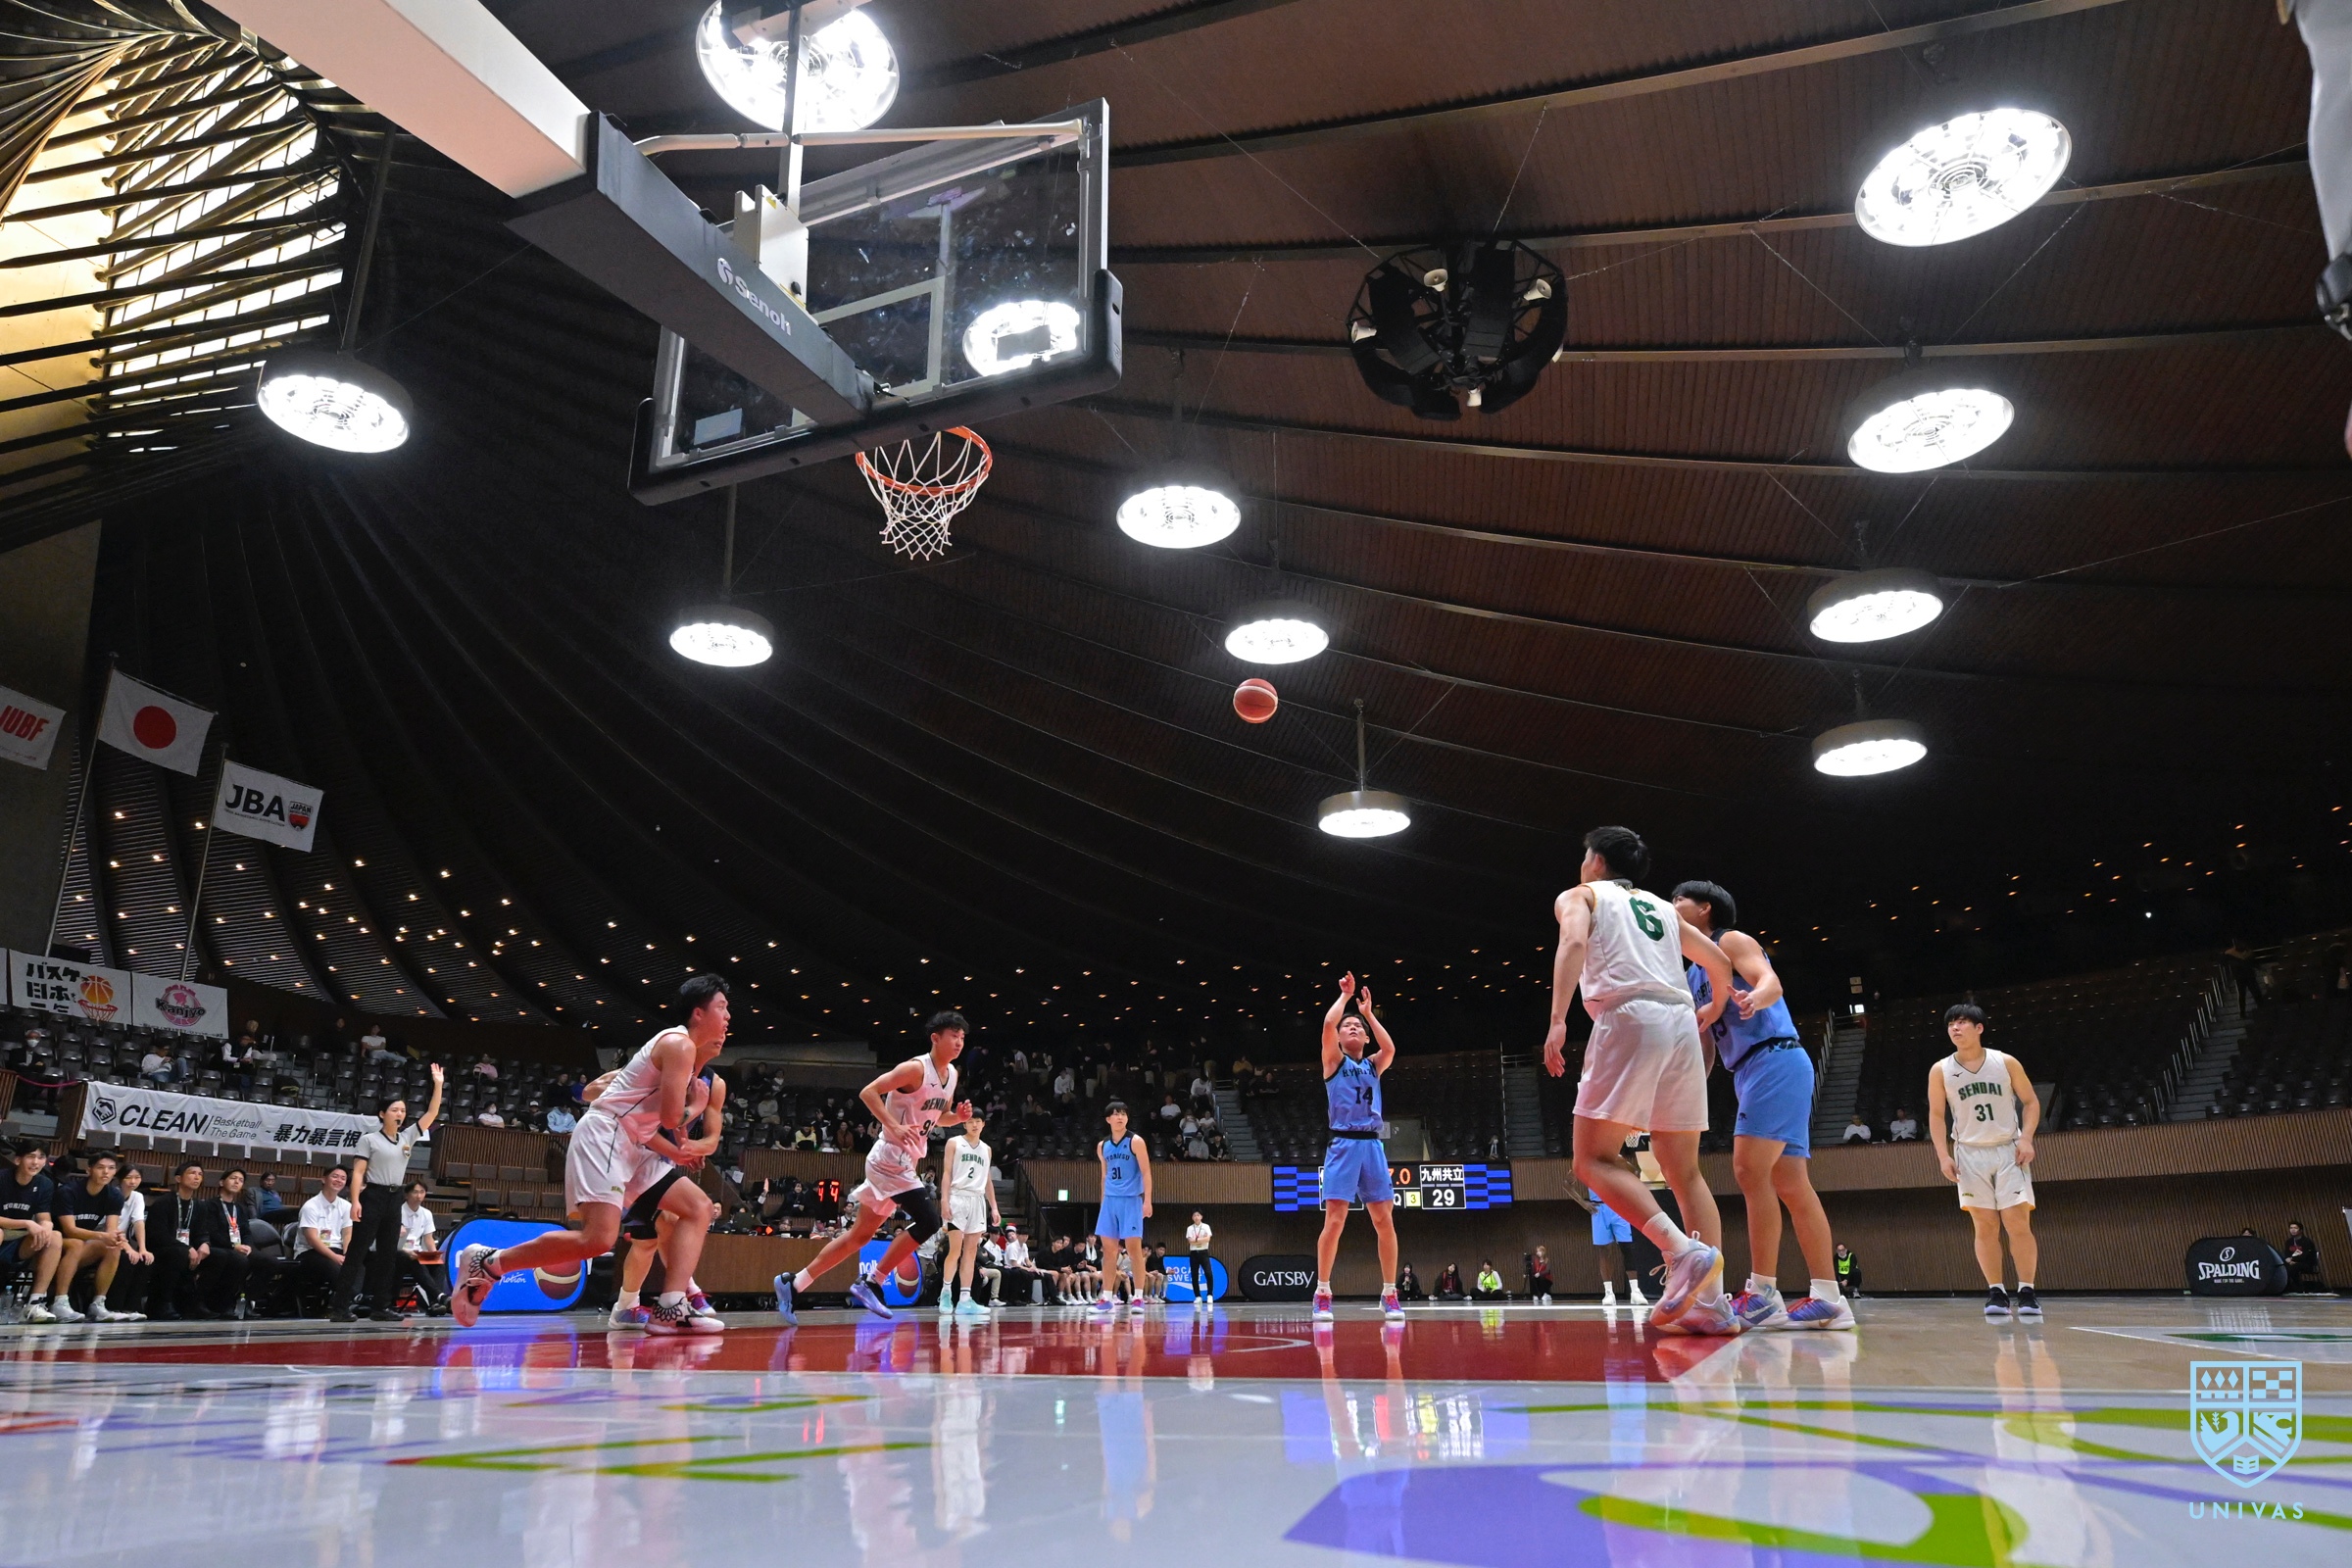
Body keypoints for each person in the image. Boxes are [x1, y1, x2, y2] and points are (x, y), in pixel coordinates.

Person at [450, 976, 729, 1334]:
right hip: (606, 1134)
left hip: (632, 1142)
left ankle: (671, 1305)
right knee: (597, 1240)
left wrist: (679, 1150)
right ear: (698, 1013)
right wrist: (698, 1106)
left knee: (698, 1207)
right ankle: (489, 1261)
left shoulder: (689, 1060)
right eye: (721, 1007)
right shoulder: (678, 1044)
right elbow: (671, 1117)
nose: (727, 1017)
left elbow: (649, 1127)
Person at [1544, 825, 1739, 1335]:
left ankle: (1680, 1250)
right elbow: (1719, 961)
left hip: (1629, 1015)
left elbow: (1573, 942)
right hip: (1680, 1023)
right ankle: (1713, 1305)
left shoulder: (1581, 895)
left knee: (1591, 1160)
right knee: (1685, 1171)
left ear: (1595, 860)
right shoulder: (1661, 907)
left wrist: (1559, 1020)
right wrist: (1714, 1006)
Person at [1673, 880, 1852, 1332]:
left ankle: (1763, 1293)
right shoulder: (1693, 974)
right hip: (1753, 1070)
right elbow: (1707, 1046)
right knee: (1790, 1183)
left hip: (1773, 1058)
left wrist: (1757, 997)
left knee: (1749, 1170)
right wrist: (1687, 1089)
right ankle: (1829, 1298)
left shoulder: (1730, 941)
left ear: (1705, 908)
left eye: (1679, 900)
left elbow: (1770, 981)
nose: (1671, 907)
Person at [776, 1011, 975, 1323]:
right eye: (954, 1036)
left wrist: (958, 1119)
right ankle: (873, 1281)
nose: (959, 1042)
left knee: (859, 1237)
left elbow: (938, 1118)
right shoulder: (914, 1068)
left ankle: (794, 1283)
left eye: (962, 1037)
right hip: (889, 1159)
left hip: (905, 1160)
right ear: (935, 1038)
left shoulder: (951, 1075)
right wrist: (893, 1125)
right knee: (929, 1221)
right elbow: (868, 1092)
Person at [1927, 1003, 2043, 1321]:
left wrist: (2026, 1138)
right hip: (1969, 1153)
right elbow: (1936, 1115)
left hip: (2008, 1150)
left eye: (1962, 1022)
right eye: (1951, 1023)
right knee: (1985, 1225)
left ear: (1979, 1028)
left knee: (2017, 1222)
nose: (1955, 1028)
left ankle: (2027, 1291)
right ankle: (1996, 1291)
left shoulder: (2005, 1062)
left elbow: (2031, 1102)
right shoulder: (1940, 1070)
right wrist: (1943, 1155)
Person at [1310, 971, 1405, 1323]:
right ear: (1338, 1038)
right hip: (1343, 1144)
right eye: (1347, 1026)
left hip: (1372, 1146)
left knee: (1384, 1219)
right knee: (1335, 1220)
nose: (1352, 1027)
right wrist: (1346, 998)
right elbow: (1328, 1023)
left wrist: (1368, 1014)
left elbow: (1390, 1049)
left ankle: (1390, 1293)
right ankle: (1322, 1292)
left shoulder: (1373, 1065)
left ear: (1365, 1036)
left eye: (1357, 1027)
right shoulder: (1334, 1062)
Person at [333, 1062, 445, 1321]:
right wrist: (355, 1201)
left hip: (395, 1198)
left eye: (403, 1110)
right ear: (382, 1114)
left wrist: (438, 1084)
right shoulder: (369, 1140)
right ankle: (339, 1307)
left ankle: (380, 1307)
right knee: (358, 1252)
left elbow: (432, 1112)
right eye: (395, 1109)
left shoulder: (407, 1137)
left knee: (388, 1255)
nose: (400, 1114)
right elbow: (358, 1173)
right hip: (373, 1196)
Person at [51, 1150, 140, 1321]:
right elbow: (69, 1230)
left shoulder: (114, 1195)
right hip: (56, 1243)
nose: (106, 1172)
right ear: (89, 1170)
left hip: (84, 1245)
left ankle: (98, 1304)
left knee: (113, 1246)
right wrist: (101, 1236)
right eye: (100, 1167)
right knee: (76, 1243)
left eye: (111, 1168)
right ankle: (59, 1302)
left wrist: (116, 1237)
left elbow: (111, 1229)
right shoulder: (68, 1191)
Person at [1091, 1101, 1153, 1312]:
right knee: (1109, 1251)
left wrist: (1147, 1200)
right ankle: (1106, 1298)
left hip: (1131, 1199)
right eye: (1116, 1114)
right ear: (1108, 1119)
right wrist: (1103, 1203)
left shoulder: (1136, 1141)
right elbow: (1104, 1176)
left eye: (1123, 1114)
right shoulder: (1102, 1146)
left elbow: (1146, 1172)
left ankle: (1138, 1298)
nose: (1120, 1117)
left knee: (1134, 1250)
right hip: (1110, 1200)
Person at [939, 1108, 1002, 1320]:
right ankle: (946, 1292)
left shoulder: (987, 1149)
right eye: (971, 1121)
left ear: (983, 1124)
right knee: (955, 1250)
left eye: (978, 1121)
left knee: (971, 1252)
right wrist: (944, 1200)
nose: (975, 1124)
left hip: (977, 1200)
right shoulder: (954, 1143)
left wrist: (994, 1206)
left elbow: (987, 1180)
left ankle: (965, 1300)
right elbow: (947, 1173)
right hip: (957, 1198)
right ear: (964, 1124)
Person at [0, 1141, 67, 1322]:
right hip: (4, 1232)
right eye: (30, 1156)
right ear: (18, 1160)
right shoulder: (2, 1178)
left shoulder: (45, 1184)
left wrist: (46, 1226)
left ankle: (35, 1303)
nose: (35, 1162)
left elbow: (44, 1217)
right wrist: (27, 1223)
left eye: (41, 1157)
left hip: (19, 1240)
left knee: (55, 1236)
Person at [292, 1165, 354, 1312]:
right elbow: (312, 1239)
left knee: (359, 1264)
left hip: (337, 1249)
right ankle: (344, 1302)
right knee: (333, 1267)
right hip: (310, 1252)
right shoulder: (310, 1206)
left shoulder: (346, 1206)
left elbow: (347, 1234)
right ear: (324, 1179)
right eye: (335, 1176)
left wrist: (348, 1254)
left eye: (343, 1178)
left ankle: (353, 1298)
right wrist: (335, 1257)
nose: (339, 1180)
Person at [394, 1180, 447, 1308]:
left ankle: (434, 1303)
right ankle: (439, 1296)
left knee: (438, 1265)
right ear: (407, 1195)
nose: (419, 1196)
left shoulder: (426, 1213)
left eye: (422, 1192)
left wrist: (434, 1255)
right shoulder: (397, 1212)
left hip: (417, 1252)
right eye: (415, 1192)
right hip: (399, 1252)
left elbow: (429, 1238)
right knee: (415, 1261)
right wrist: (407, 1251)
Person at [112, 1165, 155, 1316]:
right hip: (107, 1238)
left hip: (123, 1240)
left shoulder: (137, 1197)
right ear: (120, 1179)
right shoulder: (112, 1194)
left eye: (137, 1178)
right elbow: (111, 1228)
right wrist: (128, 1249)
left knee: (144, 1260)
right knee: (127, 1259)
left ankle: (132, 1307)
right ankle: (114, 1306)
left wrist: (142, 1249)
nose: (133, 1182)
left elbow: (139, 1222)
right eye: (128, 1178)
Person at [1184, 1210, 1215, 1308]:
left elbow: (1208, 1239)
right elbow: (1190, 1241)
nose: (1196, 1217)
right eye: (1194, 1215)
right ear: (1192, 1217)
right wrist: (1201, 1240)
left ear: (1201, 1217)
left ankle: (1210, 1295)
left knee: (1208, 1273)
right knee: (1194, 1275)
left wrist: (1196, 1240)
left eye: (1198, 1215)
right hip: (1194, 1253)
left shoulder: (1206, 1226)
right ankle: (1198, 1296)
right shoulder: (1190, 1228)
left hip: (1204, 1252)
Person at [2283, 1221, 2325, 1292]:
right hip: (2292, 1263)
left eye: (2295, 1228)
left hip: (2306, 1264)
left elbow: (2306, 1255)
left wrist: (2293, 1260)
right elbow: (2286, 1253)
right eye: (2291, 1228)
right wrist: (2288, 1259)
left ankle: (2298, 1287)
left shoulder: (2307, 1242)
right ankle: (2288, 1287)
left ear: (2301, 1230)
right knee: (2284, 1267)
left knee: (2294, 1268)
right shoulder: (2289, 1242)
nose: (2293, 1230)